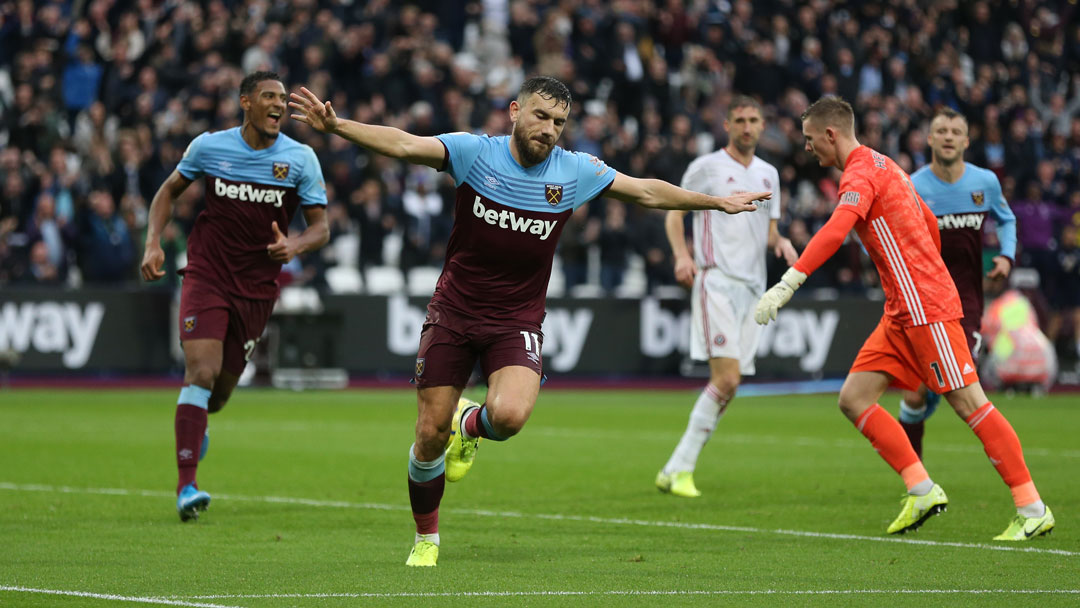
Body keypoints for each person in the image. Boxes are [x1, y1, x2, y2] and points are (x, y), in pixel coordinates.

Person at [288, 76, 770, 566]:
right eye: (541, 116)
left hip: (516, 318)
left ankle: (469, 426)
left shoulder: (575, 171)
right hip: (453, 310)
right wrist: (338, 126)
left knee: (511, 417)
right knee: (429, 432)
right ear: (515, 111)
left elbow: (644, 191)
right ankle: (427, 538)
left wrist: (713, 202)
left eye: (559, 122)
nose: (549, 129)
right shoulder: (475, 153)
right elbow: (404, 144)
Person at [754, 96, 1053, 540]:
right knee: (854, 399)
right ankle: (921, 488)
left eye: (810, 139)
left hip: (924, 309)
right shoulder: (886, 164)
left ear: (830, 134)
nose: (808, 148)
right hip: (901, 308)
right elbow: (929, 221)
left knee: (969, 403)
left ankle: (1032, 507)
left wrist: (787, 283)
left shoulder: (858, 172)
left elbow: (838, 229)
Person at [140, 71, 329, 522]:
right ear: (245, 102)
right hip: (207, 274)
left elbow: (320, 228)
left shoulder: (301, 160)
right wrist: (152, 241)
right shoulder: (210, 147)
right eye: (269, 96)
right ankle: (187, 485)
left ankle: (196, 424)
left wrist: (294, 247)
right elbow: (168, 191)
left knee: (219, 395)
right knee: (200, 373)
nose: (279, 104)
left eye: (283, 98)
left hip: (257, 289)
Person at [655, 96, 797, 498]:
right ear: (728, 125)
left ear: (762, 124)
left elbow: (769, 231)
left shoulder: (769, 174)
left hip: (753, 289)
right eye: (740, 120)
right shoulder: (707, 167)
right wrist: (682, 255)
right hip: (715, 281)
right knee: (727, 378)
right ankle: (680, 468)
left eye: (754, 120)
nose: (748, 127)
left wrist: (782, 242)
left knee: (730, 385)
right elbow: (673, 211)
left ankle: (674, 469)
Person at [897, 108, 1017, 457]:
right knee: (915, 391)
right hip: (924, 301)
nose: (948, 136)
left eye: (955, 131)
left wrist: (1006, 255)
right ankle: (915, 474)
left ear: (965, 140)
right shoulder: (913, 186)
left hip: (966, 302)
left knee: (958, 386)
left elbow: (1006, 219)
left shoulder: (984, 183)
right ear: (930, 139)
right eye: (941, 130)